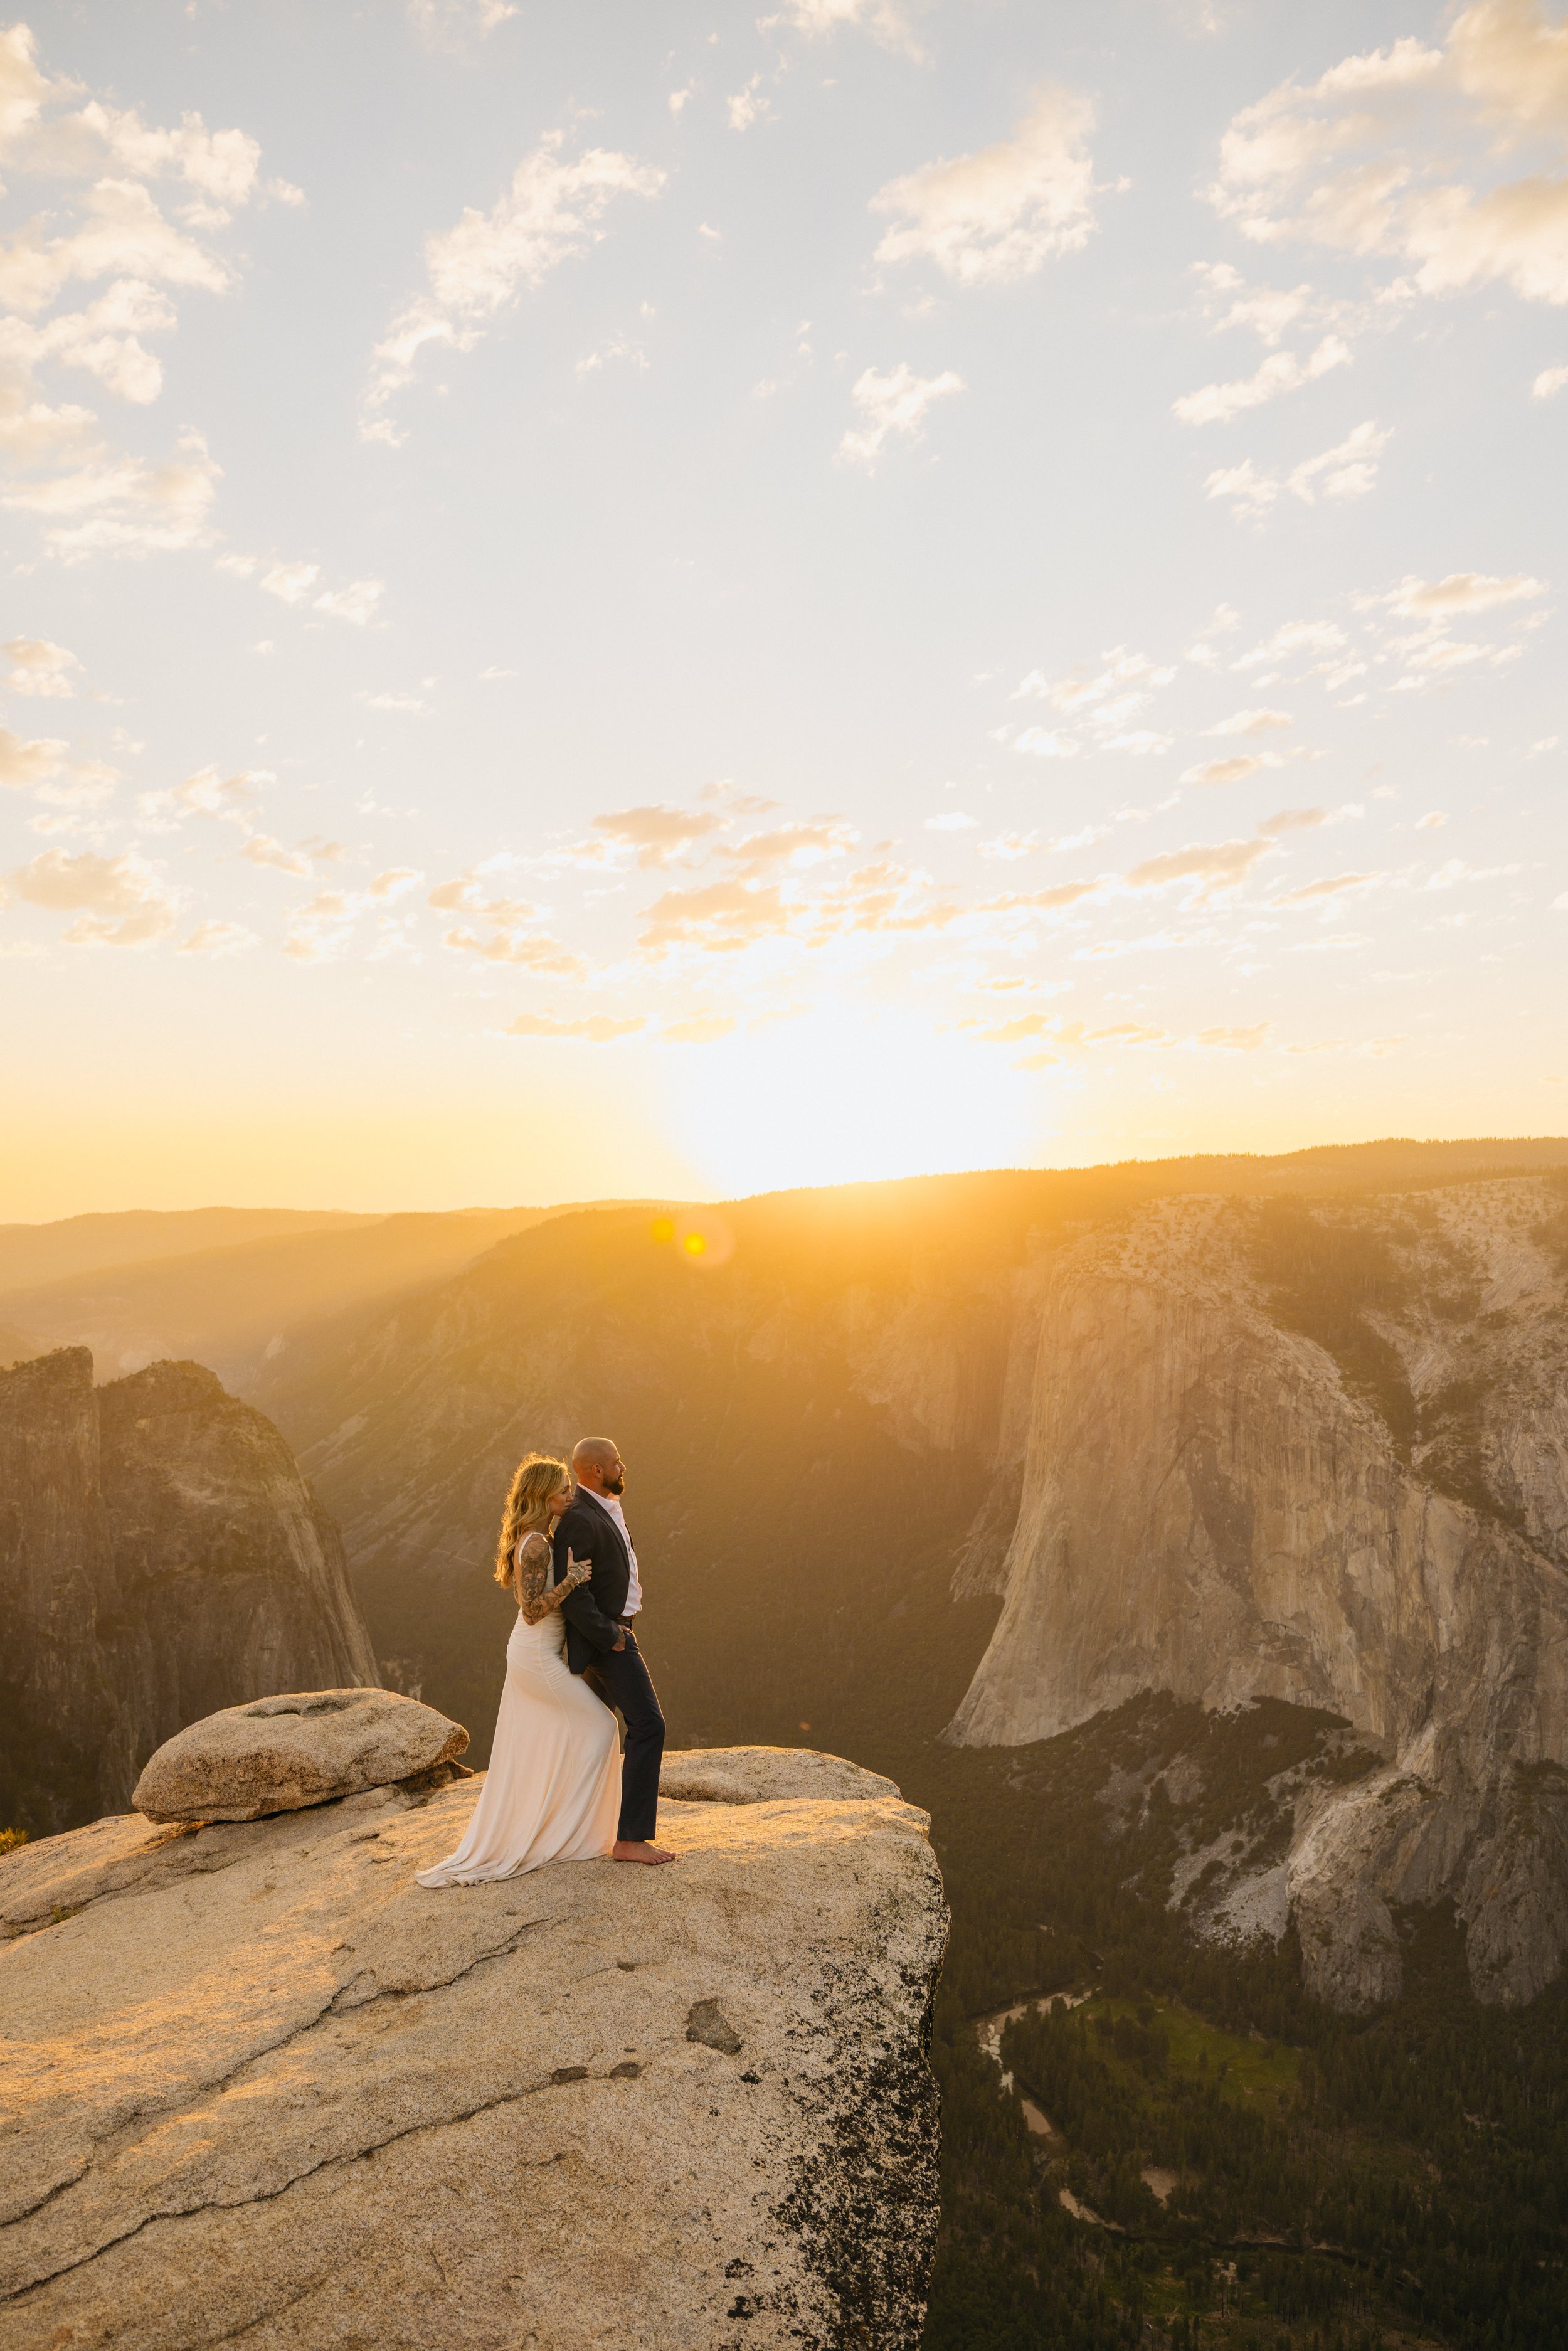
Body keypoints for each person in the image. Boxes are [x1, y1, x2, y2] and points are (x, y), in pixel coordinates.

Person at [416, 1453, 622, 1887]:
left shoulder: (536, 1537)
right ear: (546, 1497)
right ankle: (571, 1834)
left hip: (535, 1656)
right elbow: (531, 1611)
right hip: (536, 1657)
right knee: (602, 1727)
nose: (571, 1495)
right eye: (564, 1490)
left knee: (561, 1736)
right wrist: (572, 1580)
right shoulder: (537, 1545)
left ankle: (562, 1826)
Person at [552, 1436, 675, 1867]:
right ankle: (631, 1840)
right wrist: (612, 1636)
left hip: (614, 1634)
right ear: (596, 1471)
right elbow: (572, 1593)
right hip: (608, 1642)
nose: (624, 1468)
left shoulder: (601, 1509)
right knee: (648, 1725)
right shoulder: (580, 1519)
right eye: (616, 1463)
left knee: (593, 1736)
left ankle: (577, 1829)